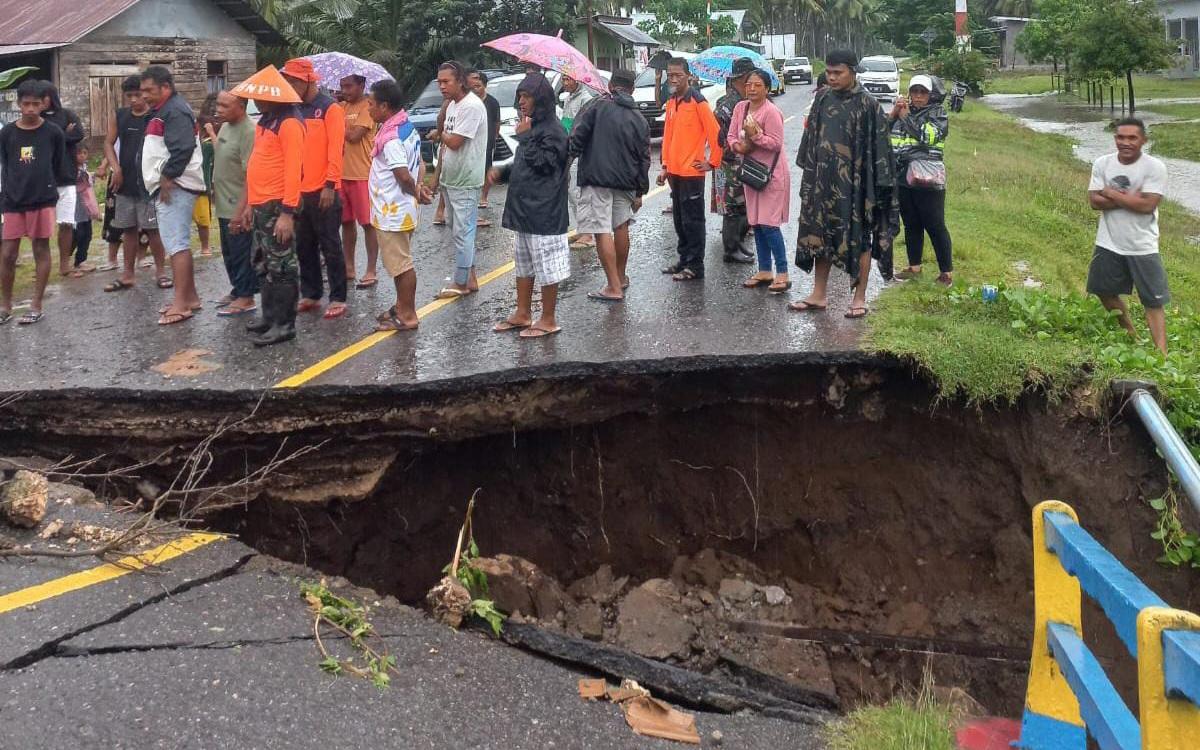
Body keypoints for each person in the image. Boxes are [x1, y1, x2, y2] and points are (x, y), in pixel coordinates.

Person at [792, 49, 898, 318]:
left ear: (852, 71)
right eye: (828, 72)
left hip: (856, 187)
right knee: (820, 235)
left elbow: (881, 150)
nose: (832, 77)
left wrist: (878, 188)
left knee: (860, 239)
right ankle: (818, 294)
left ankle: (859, 298)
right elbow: (811, 140)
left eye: (837, 72)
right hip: (823, 183)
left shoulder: (868, 105)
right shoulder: (822, 99)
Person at [490, 73, 570, 339]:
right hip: (523, 210)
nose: (521, 102)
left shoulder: (555, 131)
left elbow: (547, 165)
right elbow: (524, 163)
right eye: (520, 96)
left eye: (527, 96)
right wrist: (502, 173)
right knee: (523, 264)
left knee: (548, 266)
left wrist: (525, 138)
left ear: (541, 99)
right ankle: (523, 312)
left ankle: (548, 319)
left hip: (545, 212)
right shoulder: (531, 126)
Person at [232, 66, 305, 346]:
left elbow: (293, 169)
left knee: (283, 265)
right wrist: (249, 203)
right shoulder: (266, 121)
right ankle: (270, 316)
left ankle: (285, 324)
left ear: (275, 97)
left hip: (278, 204)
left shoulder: (289, 123)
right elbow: (256, 163)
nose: (255, 102)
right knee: (263, 261)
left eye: (260, 98)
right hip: (261, 203)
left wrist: (287, 213)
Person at [1087, 117, 1170, 354]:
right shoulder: (1102, 163)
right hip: (1108, 241)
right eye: (1120, 137)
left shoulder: (1155, 167)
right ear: (1115, 139)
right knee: (1102, 290)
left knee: (1153, 300)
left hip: (1142, 245)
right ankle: (1131, 335)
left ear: (1143, 140)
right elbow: (1094, 201)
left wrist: (1110, 193)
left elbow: (1147, 206)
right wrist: (1133, 198)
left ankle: (1161, 356)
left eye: (1132, 137)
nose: (1125, 142)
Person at [570, 68, 650, 302]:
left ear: (611, 85)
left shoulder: (597, 106)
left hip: (597, 178)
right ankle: (621, 277)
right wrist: (640, 191)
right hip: (627, 182)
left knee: (601, 229)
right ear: (632, 89)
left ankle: (613, 286)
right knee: (621, 227)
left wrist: (562, 165)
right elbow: (644, 158)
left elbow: (577, 139)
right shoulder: (639, 118)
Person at [282, 58, 348, 319]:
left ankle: (338, 296)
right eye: (287, 80)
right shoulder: (294, 109)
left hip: (323, 190)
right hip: (299, 191)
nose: (289, 85)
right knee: (304, 245)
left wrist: (330, 185)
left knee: (330, 245)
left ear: (307, 80)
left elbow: (336, 150)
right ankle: (311, 292)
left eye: (293, 81)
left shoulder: (329, 108)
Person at [141, 65, 206, 326]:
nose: (144, 95)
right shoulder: (165, 110)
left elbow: (183, 147)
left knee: (176, 244)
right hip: (172, 183)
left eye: (149, 90)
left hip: (176, 185)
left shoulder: (174, 110)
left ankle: (181, 304)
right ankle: (189, 297)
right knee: (177, 243)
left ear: (165, 87)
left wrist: (167, 176)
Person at [0, 80, 66, 325]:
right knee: (7, 253)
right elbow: (6, 164)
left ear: (43, 105)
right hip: (13, 200)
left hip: (42, 199)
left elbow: (58, 164)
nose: (30, 108)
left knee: (41, 249)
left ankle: (36, 304)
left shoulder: (53, 133)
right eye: (25, 103)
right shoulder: (7, 132)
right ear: (18, 104)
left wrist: (48, 188)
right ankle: (5, 305)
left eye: (35, 104)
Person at [366, 79, 430, 332]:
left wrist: (416, 191)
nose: (368, 109)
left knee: (401, 265)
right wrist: (419, 187)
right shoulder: (405, 126)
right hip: (401, 208)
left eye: (370, 104)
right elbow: (421, 163)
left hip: (393, 210)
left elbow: (403, 174)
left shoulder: (391, 138)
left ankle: (408, 315)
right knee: (398, 263)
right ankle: (401, 306)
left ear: (384, 106)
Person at [103, 74, 169, 293]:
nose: (133, 99)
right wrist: (115, 168)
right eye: (129, 95)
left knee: (152, 230)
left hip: (148, 183)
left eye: (138, 94)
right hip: (124, 182)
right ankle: (128, 274)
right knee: (128, 229)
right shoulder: (120, 116)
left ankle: (161, 272)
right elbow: (108, 143)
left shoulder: (155, 116)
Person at [657, 58, 722, 281]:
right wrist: (665, 165)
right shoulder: (673, 102)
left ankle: (695, 266)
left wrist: (713, 162)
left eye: (677, 75)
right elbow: (668, 137)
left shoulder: (698, 102)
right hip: (674, 173)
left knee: (693, 222)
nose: (673, 79)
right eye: (670, 74)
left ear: (688, 76)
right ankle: (684, 260)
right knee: (679, 220)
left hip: (692, 173)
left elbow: (716, 134)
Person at [430, 61, 488, 298]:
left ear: (460, 81)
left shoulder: (471, 106)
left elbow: (453, 142)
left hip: (466, 179)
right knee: (457, 229)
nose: (442, 86)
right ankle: (469, 277)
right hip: (451, 178)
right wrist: (436, 178)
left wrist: (439, 133)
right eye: (439, 82)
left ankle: (461, 282)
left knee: (463, 232)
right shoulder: (453, 106)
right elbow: (446, 148)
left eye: (446, 82)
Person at [731, 69, 791, 294]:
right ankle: (765, 269)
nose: (752, 89)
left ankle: (782, 273)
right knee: (755, 222)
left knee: (769, 224)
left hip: (771, 175)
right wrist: (739, 146)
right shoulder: (740, 108)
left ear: (767, 89)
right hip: (751, 174)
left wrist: (754, 136)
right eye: (748, 85)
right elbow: (730, 136)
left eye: (757, 85)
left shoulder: (772, 112)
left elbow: (775, 143)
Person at [890, 74, 952, 285]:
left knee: (935, 225)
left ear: (930, 95)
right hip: (903, 178)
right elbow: (886, 137)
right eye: (914, 92)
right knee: (911, 223)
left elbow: (927, 137)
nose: (917, 96)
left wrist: (906, 117)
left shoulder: (938, 114)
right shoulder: (903, 112)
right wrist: (893, 115)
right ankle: (914, 267)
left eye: (922, 92)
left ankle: (946, 272)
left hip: (928, 179)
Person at [211, 90, 258, 317]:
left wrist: (243, 210)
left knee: (241, 250)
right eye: (218, 104)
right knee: (229, 251)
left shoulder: (249, 131)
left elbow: (252, 174)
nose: (218, 109)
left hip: (236, 203)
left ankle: (246, 297)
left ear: (241, 106)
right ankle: (238, 288)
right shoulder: (226, 127)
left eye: (224, 105)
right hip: (222, 201)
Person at [38, 81, 83, 279]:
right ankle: (41, 265)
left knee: (66, 223)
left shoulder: (67, 114)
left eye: (44, 96)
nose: (41, 101)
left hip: (66, 176)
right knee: (41, 227)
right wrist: (64, 134)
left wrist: (56, 137)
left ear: (52, 96)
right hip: (42, 179)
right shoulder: (34, 118)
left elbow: (79, 134)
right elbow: (38, 142)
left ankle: (65, 264)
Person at [712, 57, 756, 264]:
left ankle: (737, 244)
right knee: (733, 207)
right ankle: (730, 249)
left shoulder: (744, 100)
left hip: (742, 158)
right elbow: (719, 134)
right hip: (730, 160)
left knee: (744, 205)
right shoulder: (728, 103)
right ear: (744, 77)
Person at [338, 74, 379, 288]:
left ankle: (371, 269)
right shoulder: (341, 107)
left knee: (367, 223)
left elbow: (354, 136)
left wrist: (337, 122)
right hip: (341, 174)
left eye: (349, 86)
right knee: (346, 222)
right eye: (342, 86)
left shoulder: (367, 106)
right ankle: (349, 267)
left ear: (362, 85)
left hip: (362, 174)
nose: (345, 90)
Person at [560, 73, 596, 250]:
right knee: (570, 192)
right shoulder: (567, 100)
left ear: (578, 80)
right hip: (567, 148)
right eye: (563, 79)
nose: (565, 83)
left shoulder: (586, 100)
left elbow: (584, 127)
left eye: (568, 79)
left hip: (579, 151)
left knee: (578, 192)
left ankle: (588, 234)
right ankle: (582, 228)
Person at [467, 70, 500, 216]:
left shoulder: (492, 102)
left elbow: (496, 122)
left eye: (478, 86)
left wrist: (494, 136)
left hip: (488, 141)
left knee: (487, 169)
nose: (475, 90)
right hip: (471, 141)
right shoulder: (468, 102)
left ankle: (484, 196)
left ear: (484, 86)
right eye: (472, 87)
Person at [69, 143, 101, 276]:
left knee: (87, 233)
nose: (82, 156)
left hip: (86, 206)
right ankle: (68, 259)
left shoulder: (84, 168)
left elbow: (88, 180)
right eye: (79, 153)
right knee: (77, 234)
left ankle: (81, 260)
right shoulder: (71, 169)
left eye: (84, 153)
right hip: (76, 207)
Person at [193, 109, 216, 257]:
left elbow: (218, 149)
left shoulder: (207, 145)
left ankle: (205, 247)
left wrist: (211, 133)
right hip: (186, 186)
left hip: (202, 187)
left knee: (203, 220)